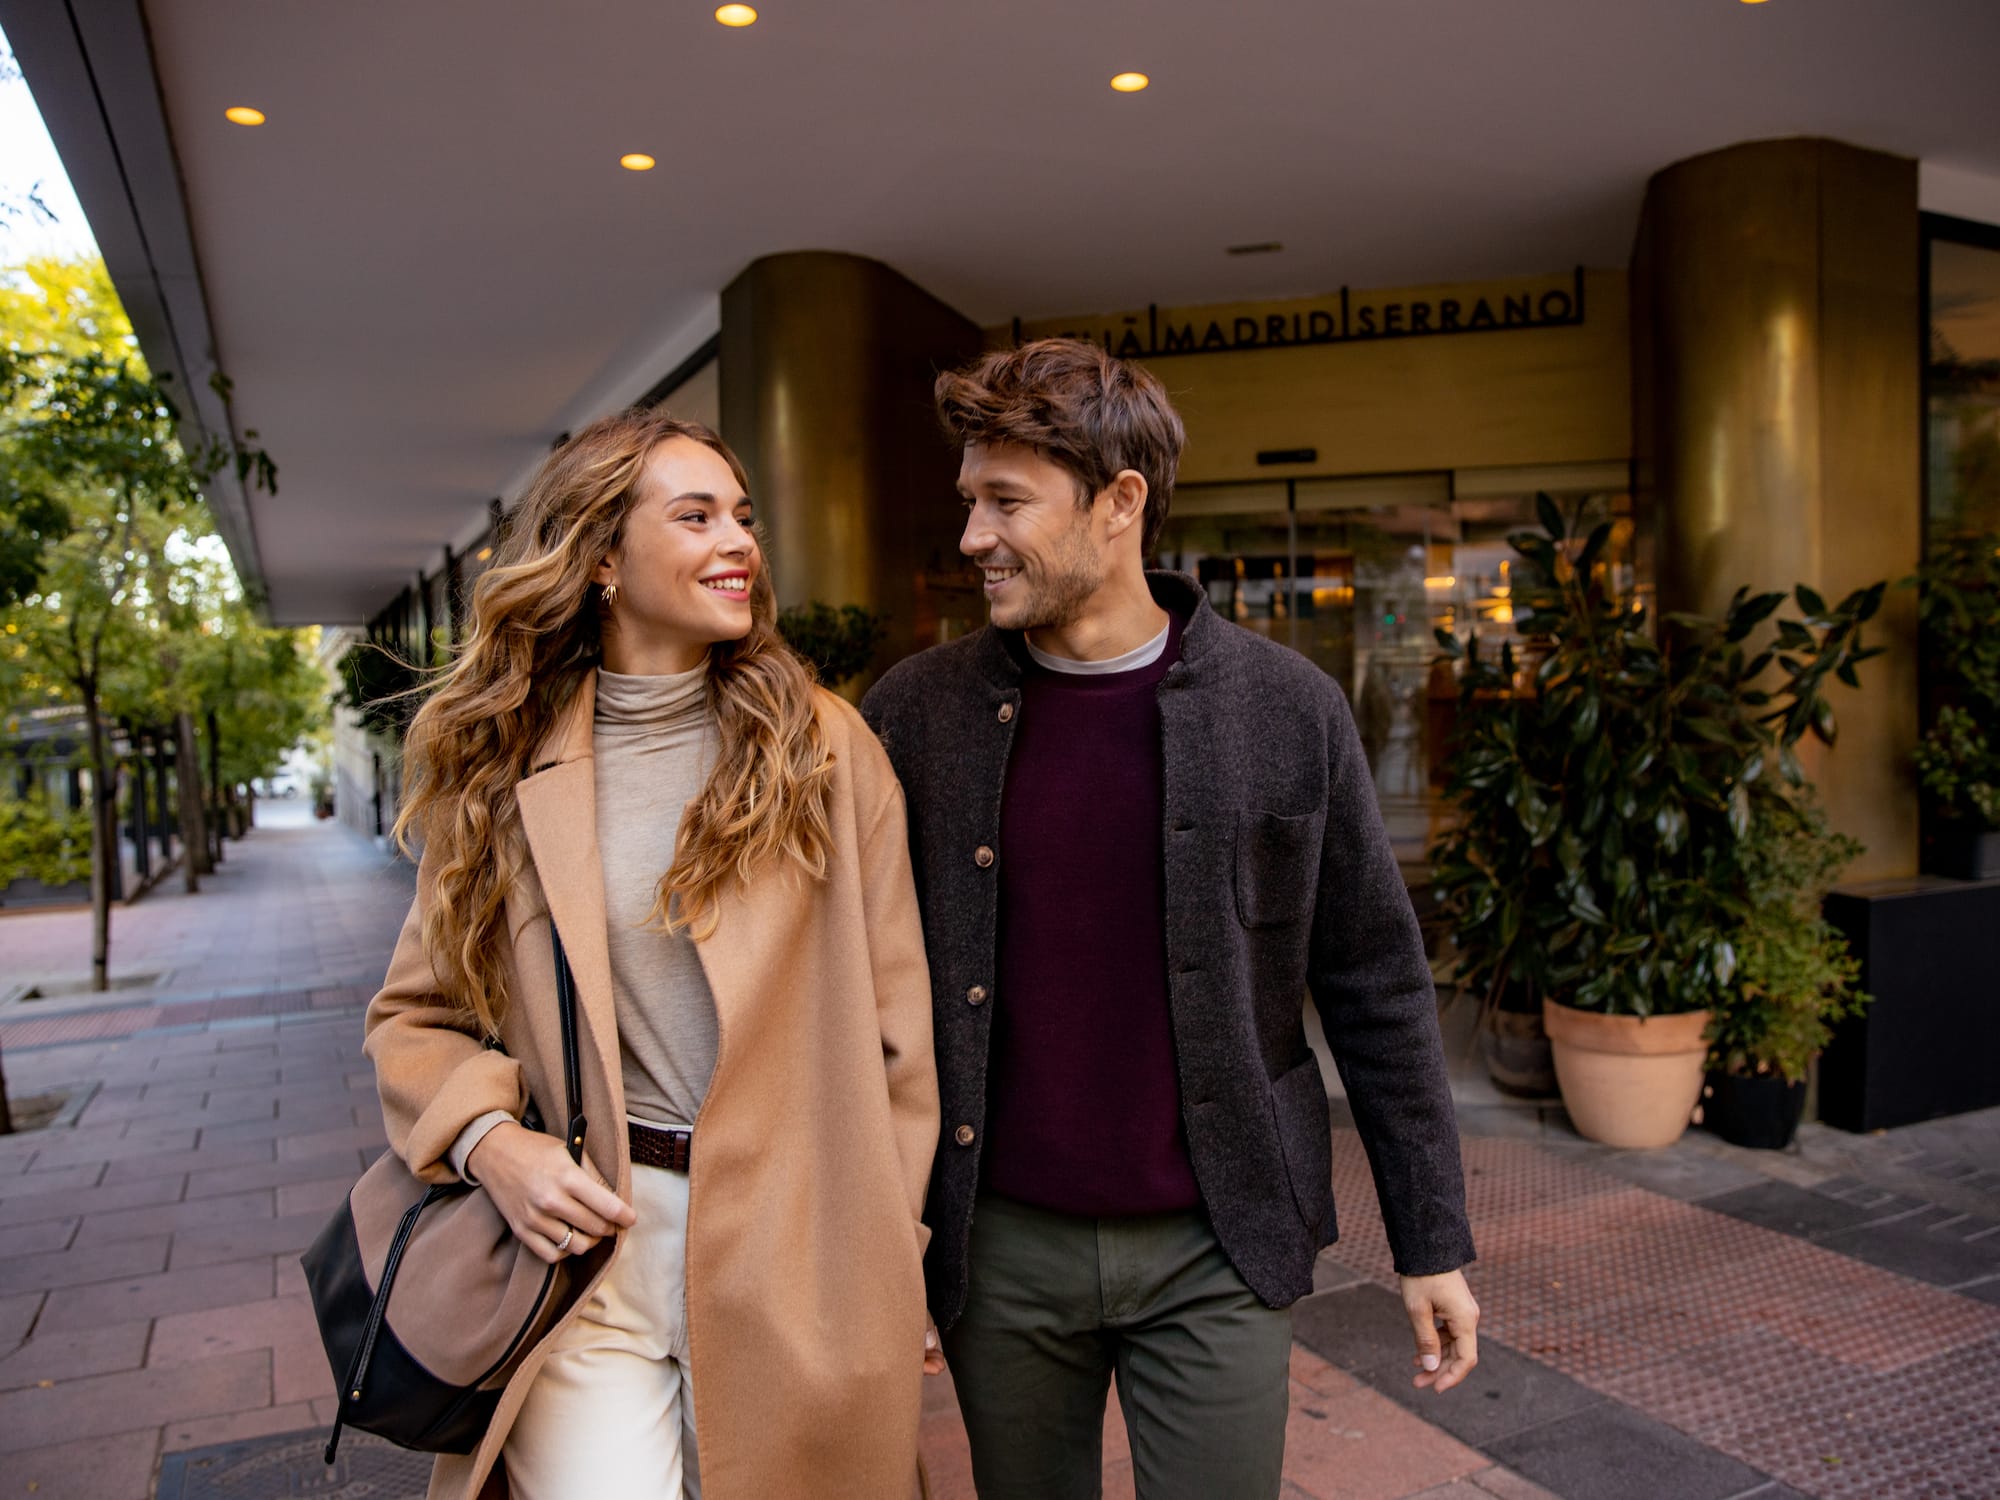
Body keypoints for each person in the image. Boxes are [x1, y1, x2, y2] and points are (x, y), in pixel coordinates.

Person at [861, 339, 1479, 1499]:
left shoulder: (1287, 708)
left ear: (1119, 503)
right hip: (998, 1248)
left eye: (1005, 502)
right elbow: (851, 993)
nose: (971, 537)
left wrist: (1429, 1238)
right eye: (967, 501)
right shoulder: (914, 714)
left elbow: (1374, 982)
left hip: (1220, 1240)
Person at [364, 408, 939, 1500]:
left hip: (798, 1242)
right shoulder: (503, 766)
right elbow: (416, 1017)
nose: (739, 542)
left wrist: (888, 1249)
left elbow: (898, 1036)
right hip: (584, 1247)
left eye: (742, 516)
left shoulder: (823, 747)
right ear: (599, 561)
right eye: (695, 516)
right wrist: (492, 1143)